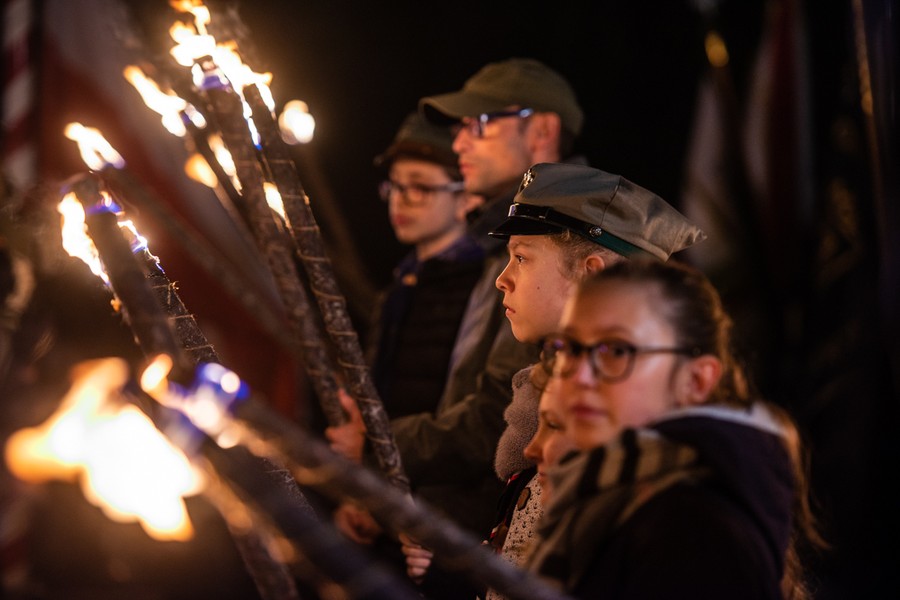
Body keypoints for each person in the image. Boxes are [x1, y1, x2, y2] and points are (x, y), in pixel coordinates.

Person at [402, 161, 706, 598]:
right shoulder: (546, 401)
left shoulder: (631, 438)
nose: (502, 281)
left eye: (522, 258)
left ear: (593, 274)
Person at [328, 58, 587, 555]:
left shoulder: (563, 240)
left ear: (543, 130)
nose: (462, 142)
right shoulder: (498, 246)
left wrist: (380, 445)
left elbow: (500, 416)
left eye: (481, 124)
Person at [525, 259, 822, 599]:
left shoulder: (693, 530)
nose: (580, 375)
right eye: (570, 348)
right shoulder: (603, 491)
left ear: (696, 381)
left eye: (617, 350)